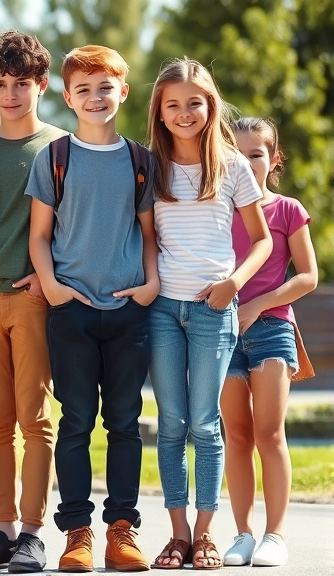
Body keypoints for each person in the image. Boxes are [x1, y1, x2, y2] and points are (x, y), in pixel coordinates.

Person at [26, 45, 159, 573]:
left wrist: (150, 285)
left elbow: (149, 236)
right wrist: (54, 288)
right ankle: (77, 533)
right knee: (76, 421)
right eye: (83, 89)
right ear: (67, 97)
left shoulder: (140, 160)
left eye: (105, 87)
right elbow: (39, 237)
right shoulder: (54, 158)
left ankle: (121, 531)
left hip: (129, 313)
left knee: (125, 422)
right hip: (72, 312)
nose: (95, 97)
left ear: (122, 92)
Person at [145, 58, 273, 571]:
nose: (183, 112)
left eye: (193, 102)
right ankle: (177, 535)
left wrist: (234, 285)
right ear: (158, 109)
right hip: (161, 311)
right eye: (172, 104)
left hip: (213, 310)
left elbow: (262, 241)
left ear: (210, 105)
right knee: (171, 424)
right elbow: (148, 239)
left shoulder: (232, 165)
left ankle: (205, 534)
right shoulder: (149, 165)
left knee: (205, 423)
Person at [0, 31, 66, 574]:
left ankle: (32, 533)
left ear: (41, 84)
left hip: (35, 299)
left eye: (21, 83)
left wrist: (52, 279)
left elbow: (76, 225)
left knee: (35, 416)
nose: (10, 94)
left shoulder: (63, 145)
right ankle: (1, 532)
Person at [219, 117, 317, 568]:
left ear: (273, 160)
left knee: (269, 433)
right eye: (237, 153)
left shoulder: (287, 210)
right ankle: (242, 533)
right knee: (235, 436)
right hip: (220, 334)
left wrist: (257, 306)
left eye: (256, 153)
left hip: (272, 330)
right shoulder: (216, 210)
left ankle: (275, 535)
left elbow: (308, 276)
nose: (246, 161)